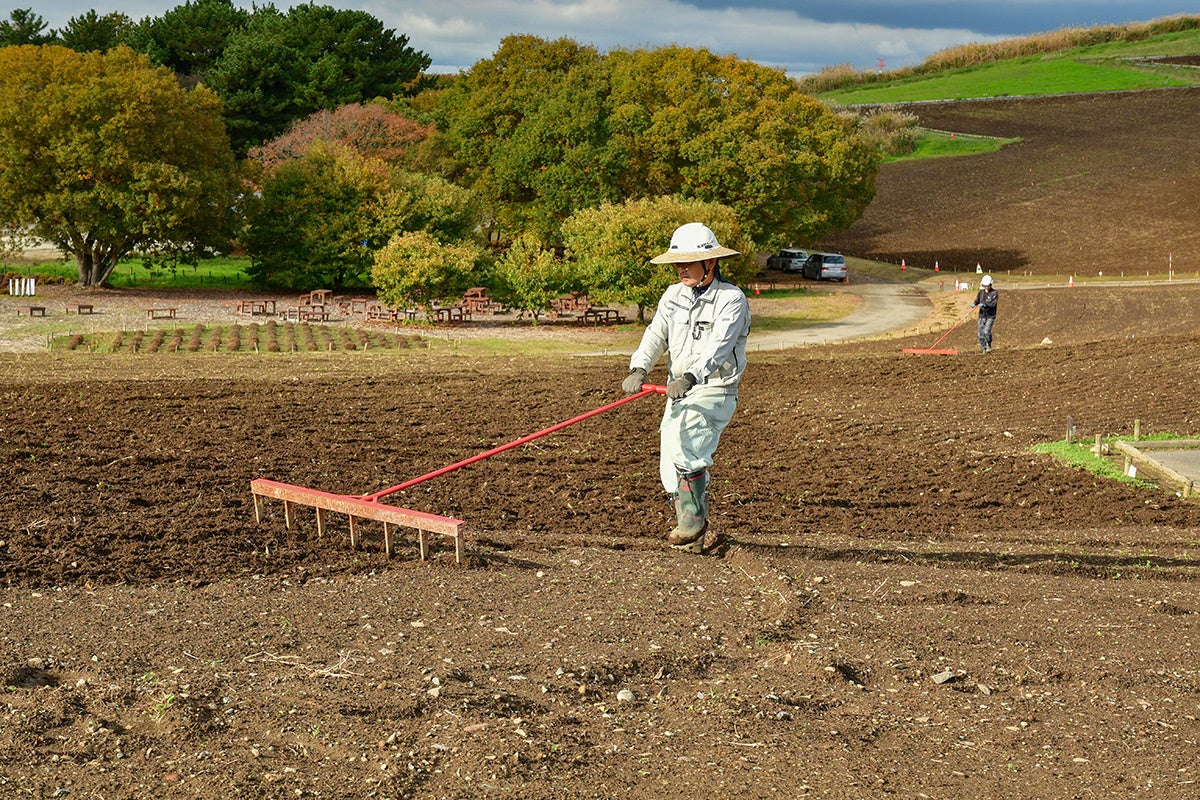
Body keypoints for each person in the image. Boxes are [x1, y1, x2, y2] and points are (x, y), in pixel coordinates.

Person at [620, 222, 751, 552]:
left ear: (710, 262)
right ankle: (691, 536)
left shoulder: (731, 299)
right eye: (678, 263)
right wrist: (639, 367)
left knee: (687, 442)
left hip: (714, 389)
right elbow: (656, 334)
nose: (681, 269)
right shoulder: (672, 295)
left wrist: (691, 377)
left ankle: (692, 521)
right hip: (677, 390)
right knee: (670, 459)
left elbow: (718, 348)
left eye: (688, 262)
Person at [973, 274, 998, 352]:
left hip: (990, 316)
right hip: (982, 315)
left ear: (990, 284)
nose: (986, 287)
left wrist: (985, 304)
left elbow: (993, 304)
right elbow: (977, 300)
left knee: (986, 332)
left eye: (987, 286)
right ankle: (983, 348)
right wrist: (974, 304)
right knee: (980, 334)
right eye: (984, 286)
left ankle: (989, 344)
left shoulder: (994, 293)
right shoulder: (981, 292)